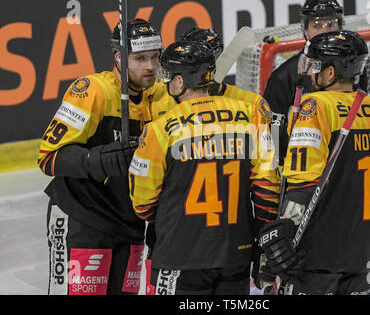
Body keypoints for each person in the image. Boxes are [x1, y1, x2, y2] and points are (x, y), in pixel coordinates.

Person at [128, 40, 281, 294]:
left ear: (179, 83)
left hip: (180, 255)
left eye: (168, 77)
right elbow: (268, 187)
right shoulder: (251, 115)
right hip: (237, 253)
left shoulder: (159, 129)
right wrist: (261, 238)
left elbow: (142, 204)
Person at [38, 18, 173, 295]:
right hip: (83, 216)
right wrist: (98, 160)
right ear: (118, 57)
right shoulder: (92, 90)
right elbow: (49, 157)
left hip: (130, 223)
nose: (150, 66)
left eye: (155, 56)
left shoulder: (164, 96)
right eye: (140, 58)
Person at [258, 30, 370, 295]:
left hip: (321, 250)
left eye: (315, 66)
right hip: (368, 248)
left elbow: (303, 182)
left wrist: (282, 237)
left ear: (330, 73)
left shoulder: (315, 105)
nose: (308, 73)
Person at [263, 0, 370, 182]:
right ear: (305, 29)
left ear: (340, 26)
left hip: (345, 168)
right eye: (317, 25)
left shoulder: (353, 69)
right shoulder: (283, 78)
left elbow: (361, 117)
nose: (324, 32)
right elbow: (272, 136)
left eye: (331, 25)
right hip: (304, 174)